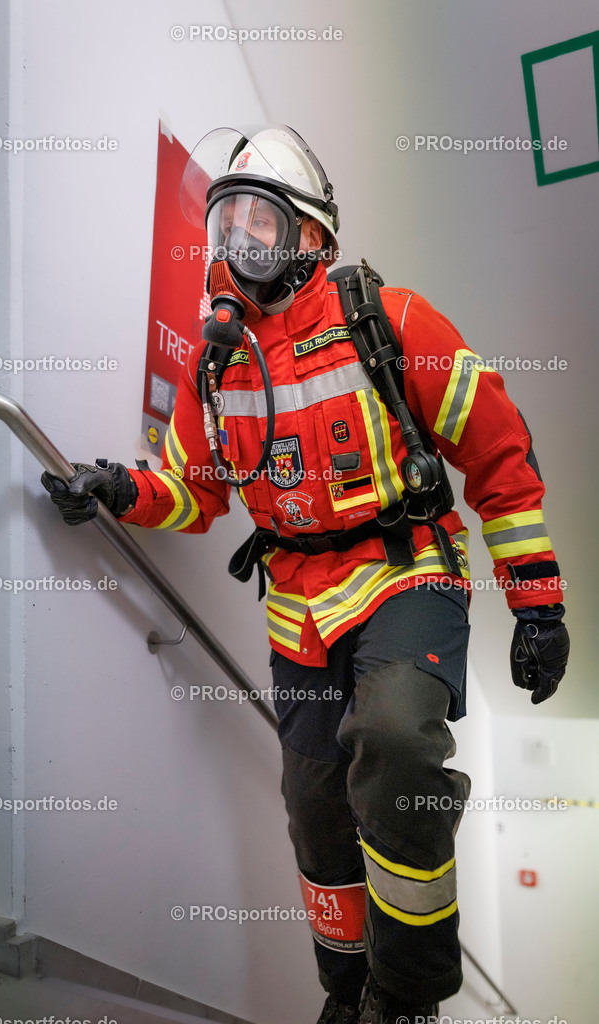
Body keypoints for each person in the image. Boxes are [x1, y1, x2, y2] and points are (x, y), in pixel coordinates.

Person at [41, 125, 570, 1024]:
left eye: (261, 217)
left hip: (406, 576)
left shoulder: (390, 319)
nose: (239, 238)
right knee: (315, 805)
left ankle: (407, 999)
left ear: (311, 235)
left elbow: (498, 452)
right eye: (226, 219)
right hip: (299, 606)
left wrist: (536, 603)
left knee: (397, 744)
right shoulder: (219, 363)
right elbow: (195, 490)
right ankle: (347, 990)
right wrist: (119, 488)